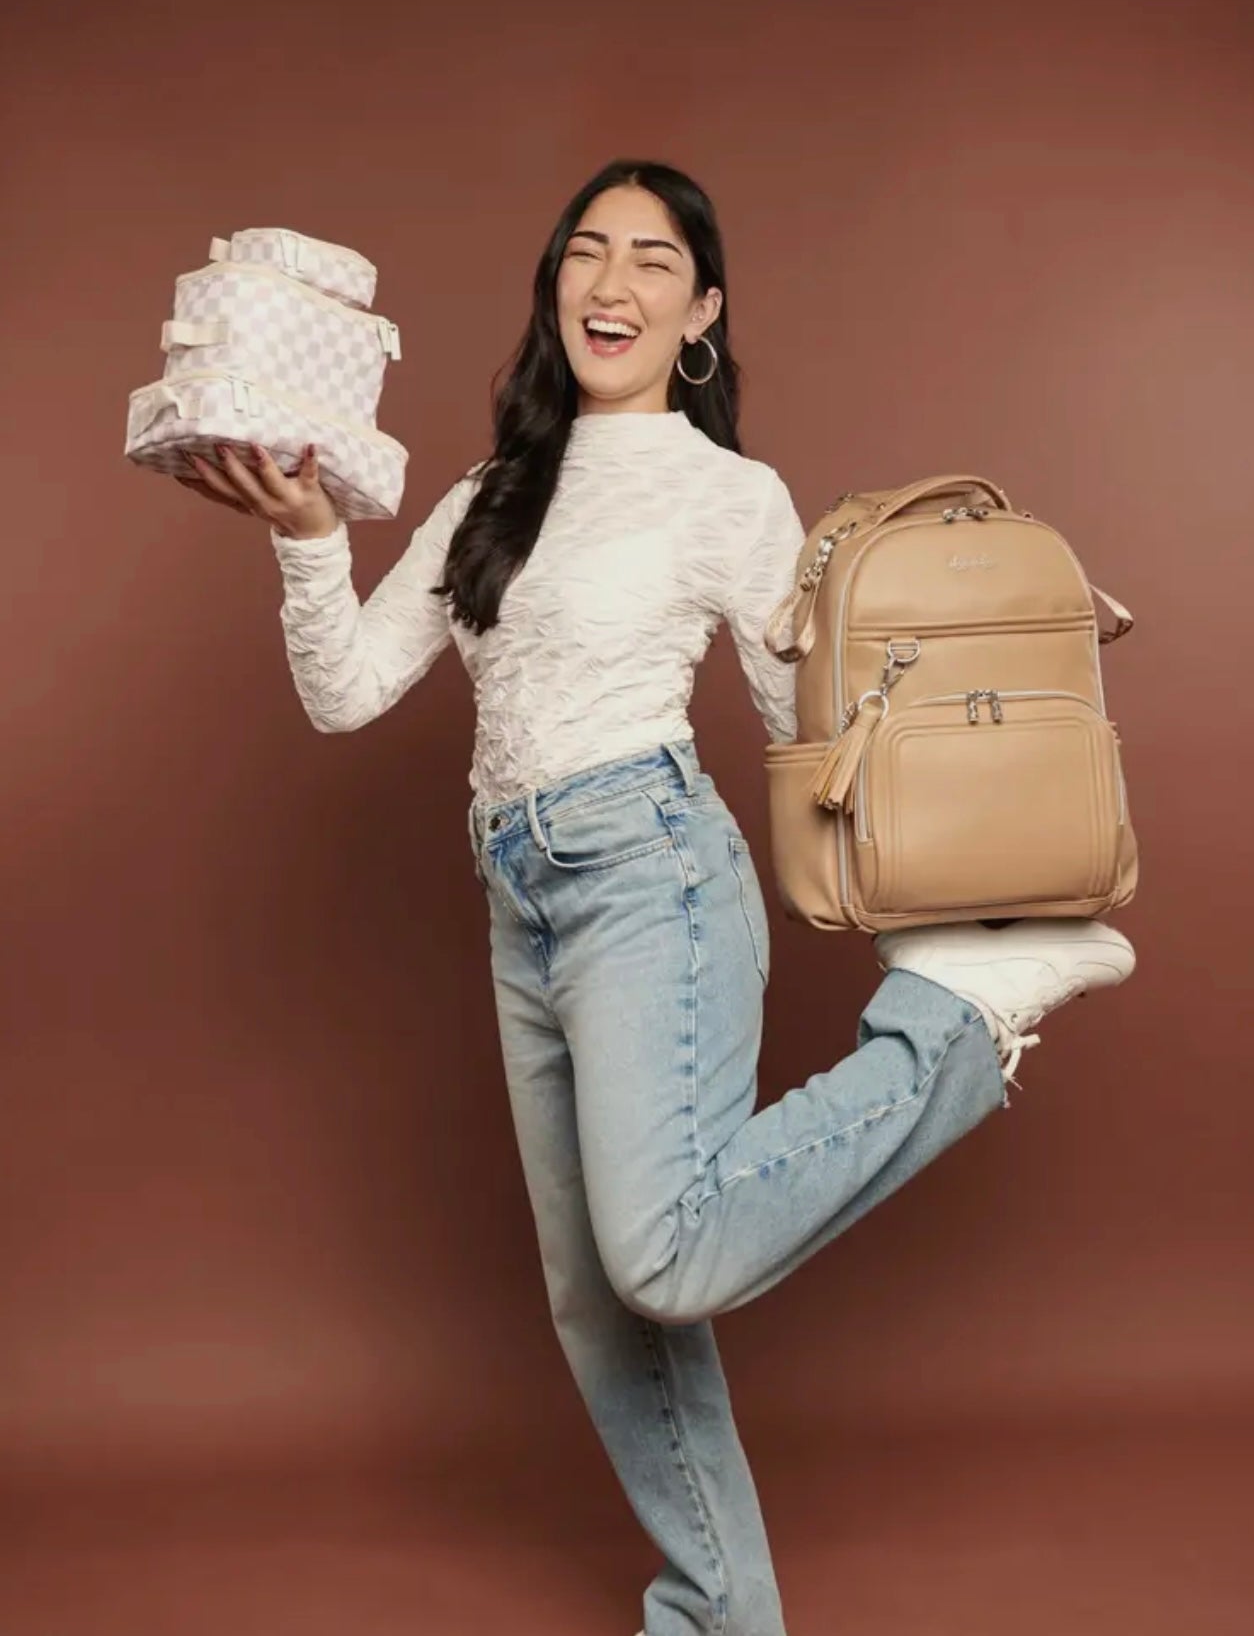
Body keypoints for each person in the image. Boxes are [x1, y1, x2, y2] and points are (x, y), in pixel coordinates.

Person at [176, 160, 1135, 1636]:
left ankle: (952, 1019)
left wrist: (951, 892)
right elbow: (349, 694)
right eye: (584, 254)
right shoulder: (491, 493)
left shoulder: (724, 491)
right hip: (518, 893)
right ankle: (720, 1614)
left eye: (648, 261)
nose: (607, 284)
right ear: (553, 285)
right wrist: (306, 536)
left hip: (649, 869)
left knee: (662, 1249)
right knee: (601, 1304)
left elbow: (802, 720)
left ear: (700, 312)